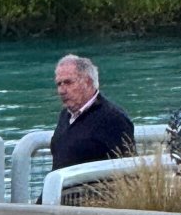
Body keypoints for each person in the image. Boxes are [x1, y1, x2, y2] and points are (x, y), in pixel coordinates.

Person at [49, 55, 135, 190]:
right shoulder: (65, 116)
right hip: (57, 196)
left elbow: (128, 171)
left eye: (68, 82)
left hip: (89, 203)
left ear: (88, 82)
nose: (61, 90)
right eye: (59, 84)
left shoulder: (112, 118)